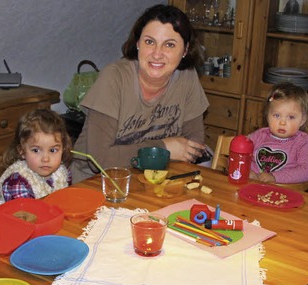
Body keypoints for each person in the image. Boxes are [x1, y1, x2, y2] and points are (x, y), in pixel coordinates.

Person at [71, 4, 209, 182]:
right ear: (137, 43)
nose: (157, 54)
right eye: (149, 42)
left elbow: (194, 145)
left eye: (169, 44)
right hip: (97, 184)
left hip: (155, 180)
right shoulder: (114, 78)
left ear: (185, 50)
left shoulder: (187, 77)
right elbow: (100, 161)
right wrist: (163, 149)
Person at [0, 108, 72, 207]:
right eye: (36, 150)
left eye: (53, 150)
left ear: (63, 148)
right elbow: (27, 218)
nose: (45, 159)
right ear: (22, 150)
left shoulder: (63, 172)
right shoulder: (16, 183)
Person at [248, 82, 308, 184]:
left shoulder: (302, 142)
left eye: (291, 117)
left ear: (302, 120)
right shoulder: (258, 136)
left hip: (284, 193)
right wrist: (246, 170)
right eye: (277, 115)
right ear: (267, 115)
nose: (282, 122)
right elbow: (237, 155)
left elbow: (306, 171)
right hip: (252, 187)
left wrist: (274, 177)